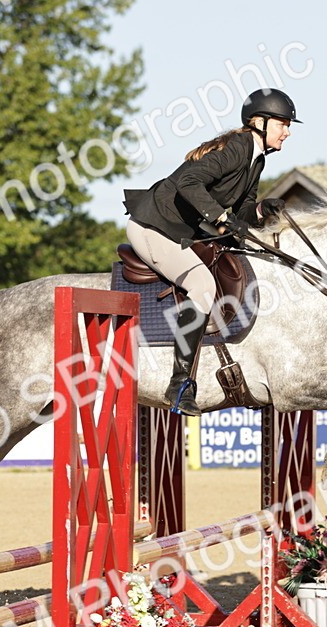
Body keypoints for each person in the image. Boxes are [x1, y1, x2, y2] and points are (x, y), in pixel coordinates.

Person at [122, 88, 299, 415]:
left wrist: (260, 211)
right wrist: (220, 217)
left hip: (176, 232)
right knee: (203, 285)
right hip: (152, 226)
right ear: (259, 122)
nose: (287, 132)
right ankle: (179, 385)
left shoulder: (255, 161)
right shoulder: (237, 148)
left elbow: (242, 213)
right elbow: (188, 183)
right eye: (282, 123)